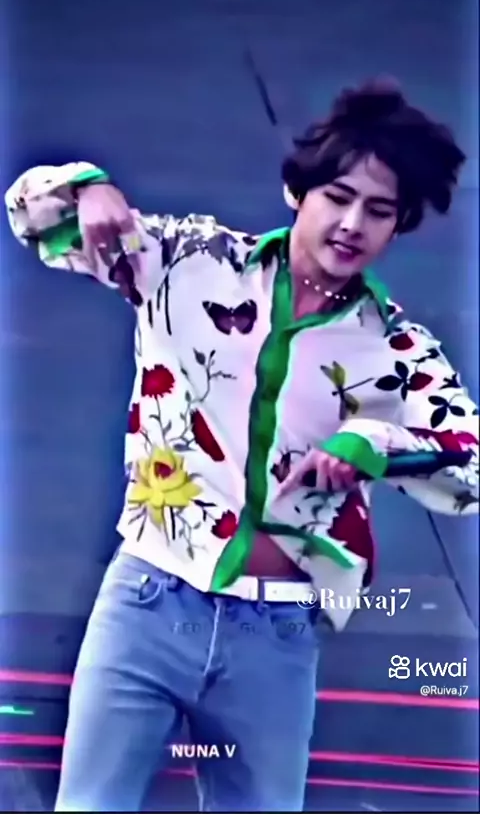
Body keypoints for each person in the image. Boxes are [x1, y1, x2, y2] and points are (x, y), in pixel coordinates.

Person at [5, 79, 479, 813]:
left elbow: (470, 461)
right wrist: (86, 188)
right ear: (298, 191)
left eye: (379, 211)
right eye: (337, 197)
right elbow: (31, 218)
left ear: (400, 225)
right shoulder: (188, 261)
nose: (351, 223)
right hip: (147, 603)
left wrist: (374, 442)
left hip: (277, 635)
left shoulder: (397, 349)